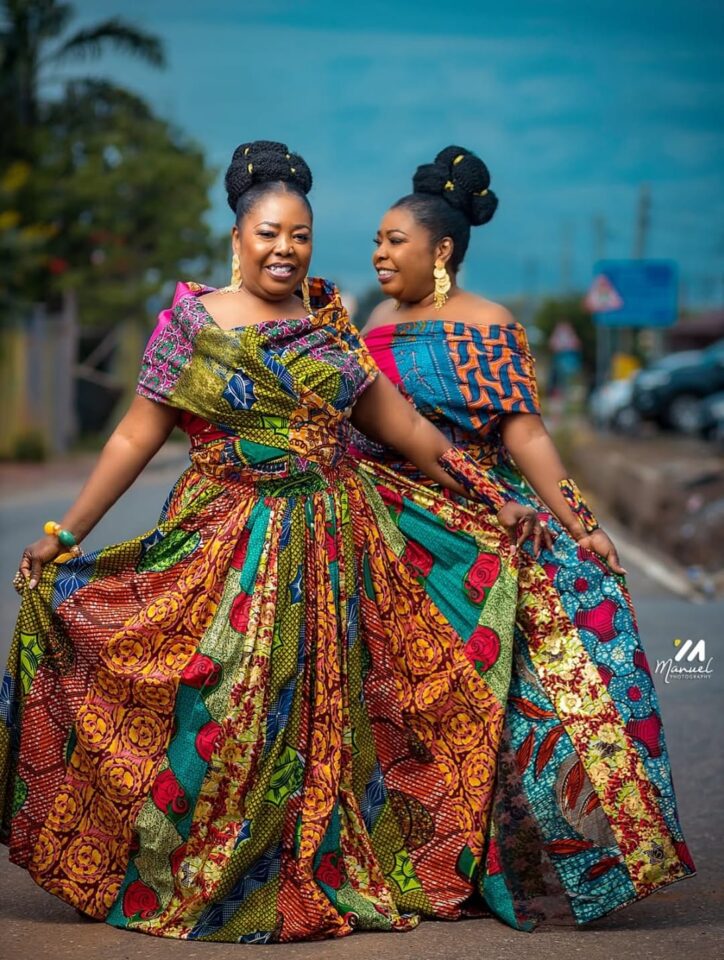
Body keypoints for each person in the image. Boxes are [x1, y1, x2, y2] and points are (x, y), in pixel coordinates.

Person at [0, 141, 545, 944]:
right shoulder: (194, 323)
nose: (285, 249)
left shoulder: (329, 324)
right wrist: (64, 532)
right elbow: (130, 439)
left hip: (328, 548)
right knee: (212, 701)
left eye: (299, 236)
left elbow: (405, 427)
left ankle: (304, 865)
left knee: (316, 717)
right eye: (268, 233)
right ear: (237, 238)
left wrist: (492, 491)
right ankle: (183, 867)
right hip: (223, 543)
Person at [356, 145, 696, 929]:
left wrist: (586, 526)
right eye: (375, 240)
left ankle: (549, 855)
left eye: (394, 240)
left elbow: (528, 438)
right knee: (405, 702)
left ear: (440, 250)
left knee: (529, 694)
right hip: (395, 530)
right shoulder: (371, 323)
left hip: (486, 520)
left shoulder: (490, 324)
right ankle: (421, 859)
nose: (378, 252)